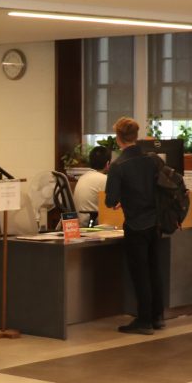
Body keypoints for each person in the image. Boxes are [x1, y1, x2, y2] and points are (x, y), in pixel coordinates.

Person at [104, 118, 165, 335]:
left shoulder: (119, 166)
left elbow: (111, 200)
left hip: (135, 224)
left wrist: (121, 199)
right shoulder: (152, 160)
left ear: (118, 138)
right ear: (136, 136)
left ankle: (144, 320)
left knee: (140, 273)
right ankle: (158, 316)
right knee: (154, 269)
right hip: (155, 222)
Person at [73, 145, 110, 224]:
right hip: (93, 224)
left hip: (81, 223)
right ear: (108, 164)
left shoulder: (82, 177)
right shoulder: (104, 179)